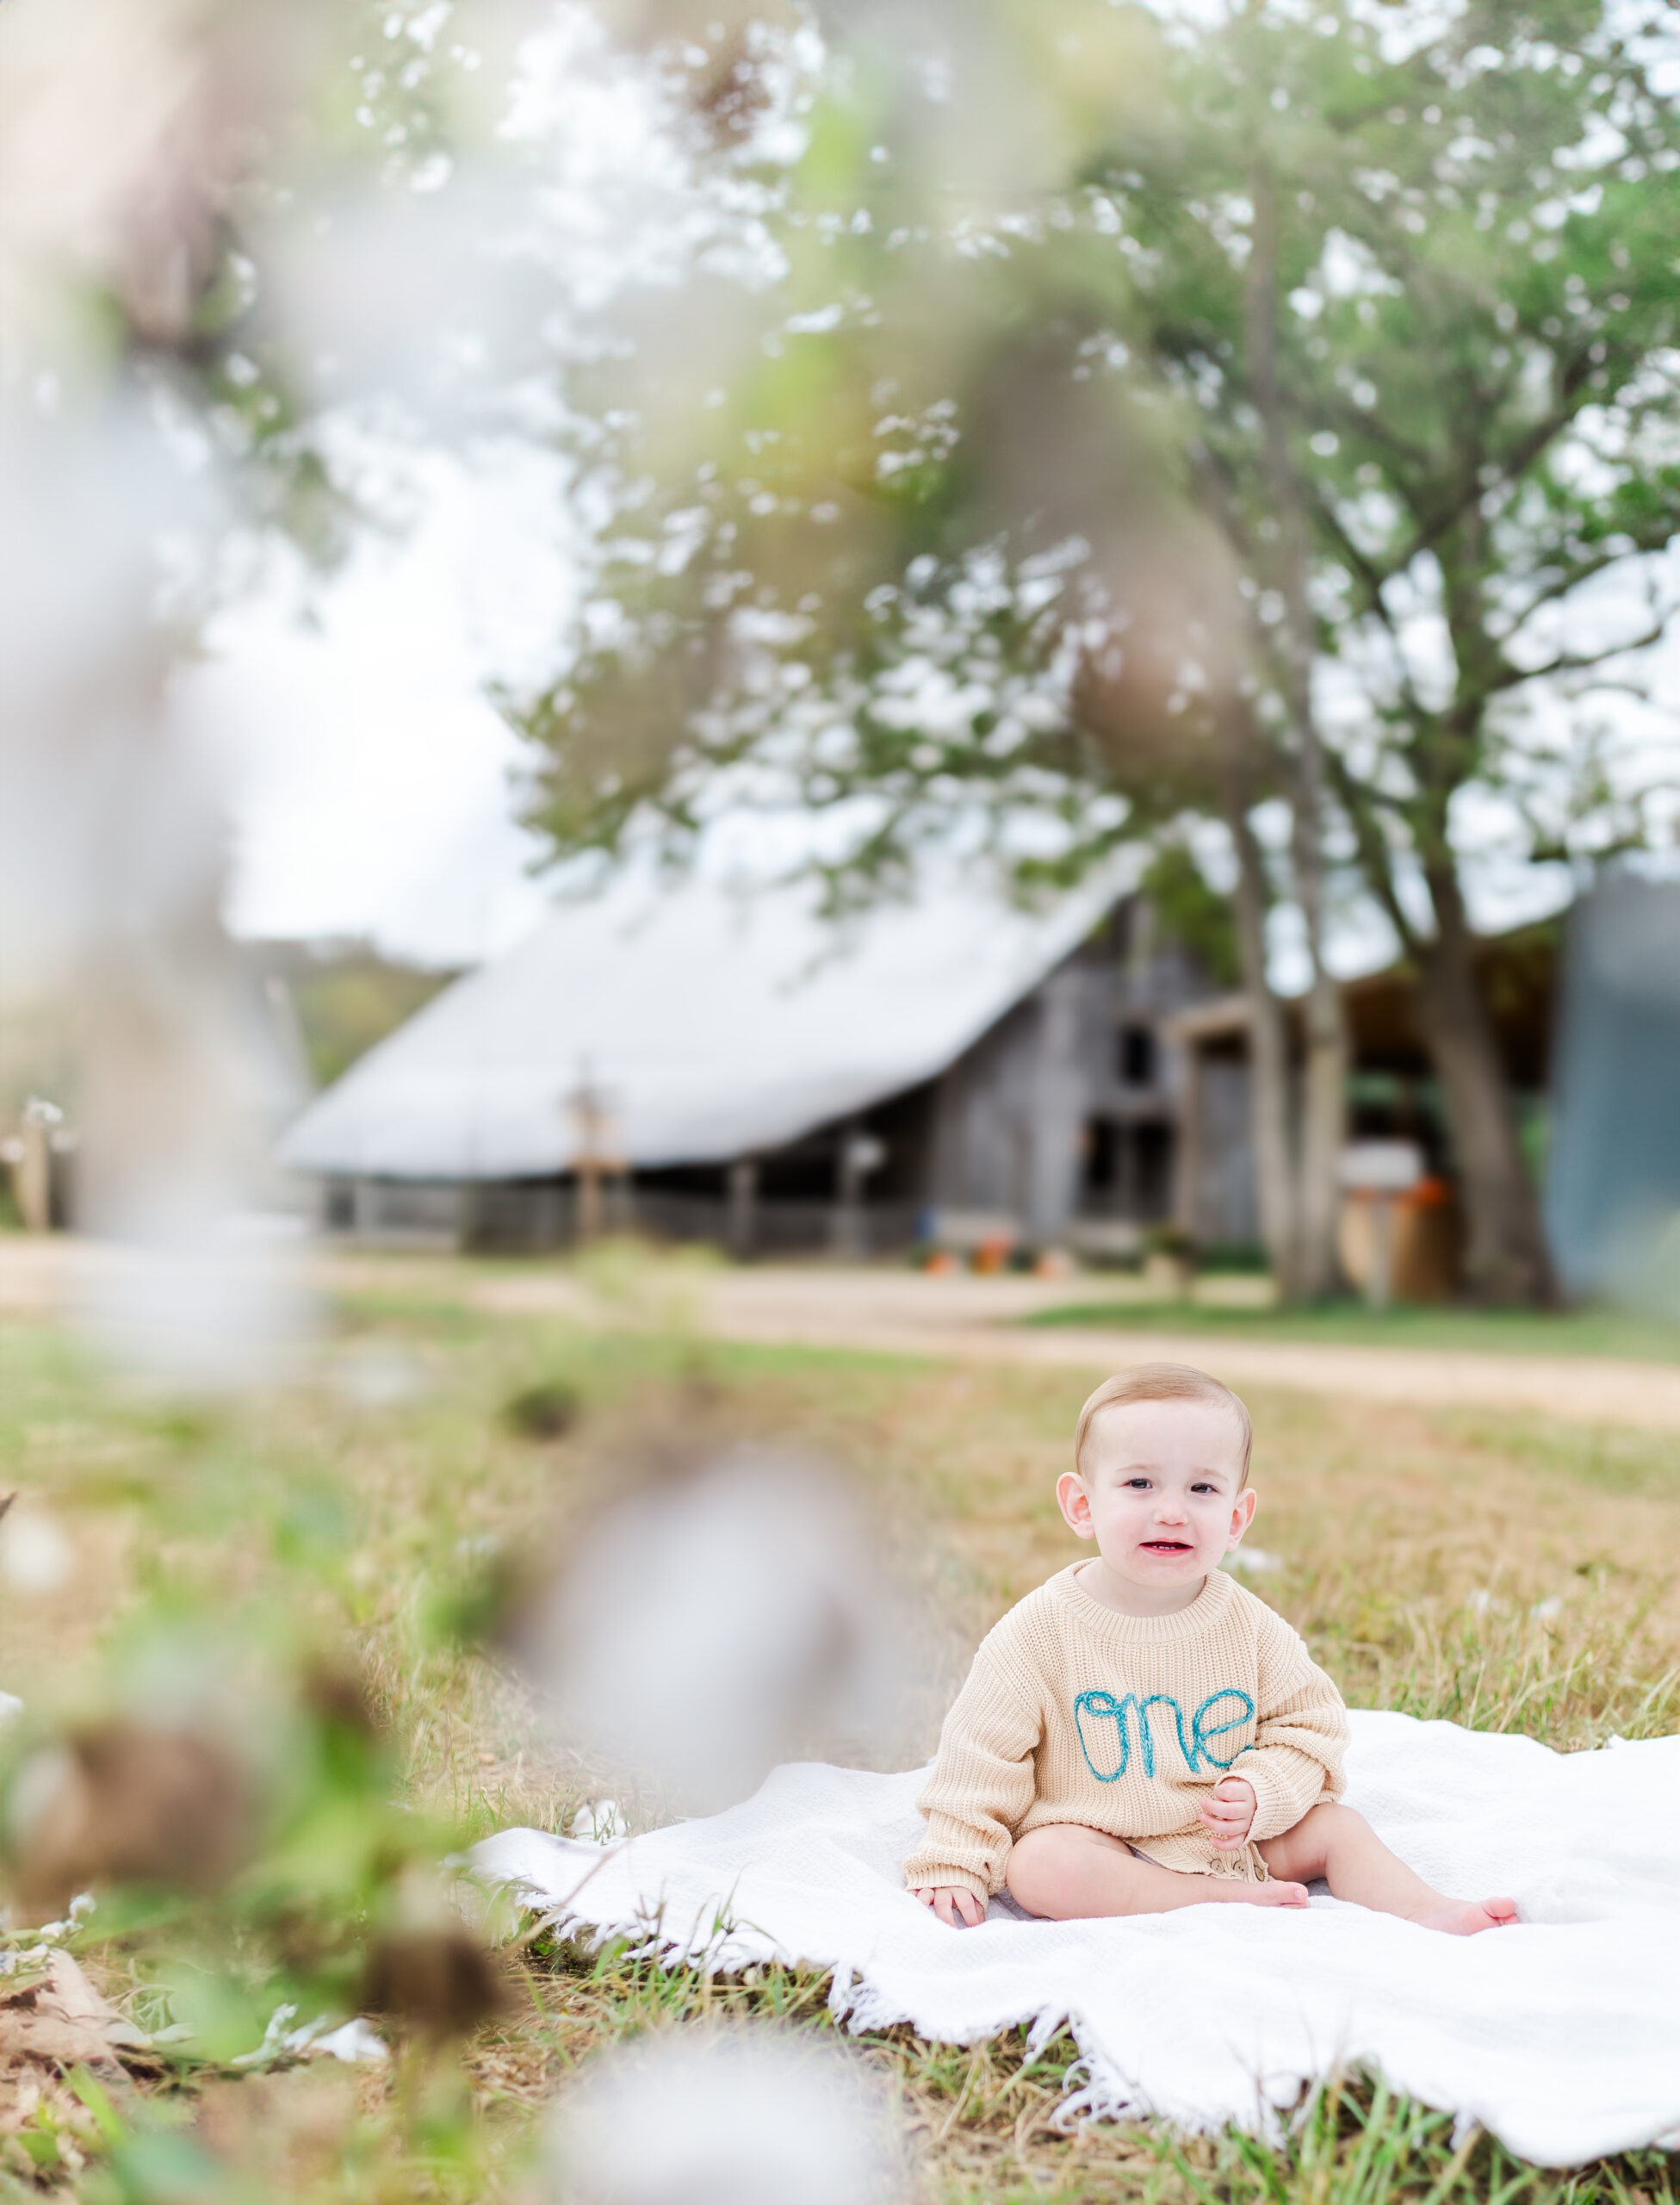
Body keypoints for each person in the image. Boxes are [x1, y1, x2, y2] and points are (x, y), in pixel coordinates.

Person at [907, 1363, 1519, 1935]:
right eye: (1140, 1483)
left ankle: (1425, 1910)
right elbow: (979, 1751)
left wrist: (1261, 1791)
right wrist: (957, 1854)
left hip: (1232, 1840)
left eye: (1202, 1488)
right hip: (1105, 1839)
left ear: (1236, 1518)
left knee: (1338, 1827)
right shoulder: (1040, 1629)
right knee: (1040, 1865)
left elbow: (1310, 1727)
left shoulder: (1246, 1624)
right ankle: (1203, 1900)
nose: (1171, 1512)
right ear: (1081, 1505)